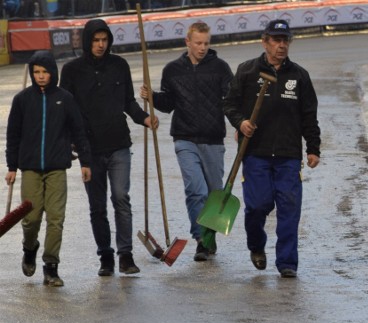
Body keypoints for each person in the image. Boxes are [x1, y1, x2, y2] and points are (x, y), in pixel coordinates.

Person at [223, 19, 321, 278]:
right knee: (257, 206)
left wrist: (313, 148)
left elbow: (309, 115)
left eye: (285, 40)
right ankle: (256, 245)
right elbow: (229, 104)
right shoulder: (247, 71)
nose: (281, 45)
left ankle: (287, 263)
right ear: (264, 42)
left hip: (289, 155)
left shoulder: (299, 76)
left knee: (290, 209)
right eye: (276, 40)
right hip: (255, 153)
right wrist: (240, 122)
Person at [60, 18, 156, 276]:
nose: (101, 45)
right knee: (97, 206)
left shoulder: (119, 65)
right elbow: (65, 112)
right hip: (89, 149)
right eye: (96, 40)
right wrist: (67, 142)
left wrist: (145, 118)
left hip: (118, 144)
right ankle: (106, 257)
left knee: (121, 198)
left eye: (104, 40)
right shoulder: (71, 71)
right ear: (87, 40)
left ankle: (126, 255)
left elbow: (129, 102)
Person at [140, 21, 234, 262]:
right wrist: (151, 97)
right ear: (188, 42)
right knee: (196, 190)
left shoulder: (220, 68)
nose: (202, 48)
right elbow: (168, 103)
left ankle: (210, 239)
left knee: (214, 193)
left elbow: (232, 100)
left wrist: (239, 124)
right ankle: (201, 239)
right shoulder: (172, 70)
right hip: (184, 138)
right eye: (198, 43)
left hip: (213, 139)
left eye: (206, 43)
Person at [5, 51, 92, 287]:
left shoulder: (65, 98)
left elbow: (78, 130)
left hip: (56, 168)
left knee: (56, 218)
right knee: (31, 218)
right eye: (37, 72)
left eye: (45, 72)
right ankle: (29, 247)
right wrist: (12, 166)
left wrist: (85, 161)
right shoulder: (22, 100)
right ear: (32, 74)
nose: (41, 76)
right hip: (30, 168)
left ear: (53, 73)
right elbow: (13, 135)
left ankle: (51, 266)